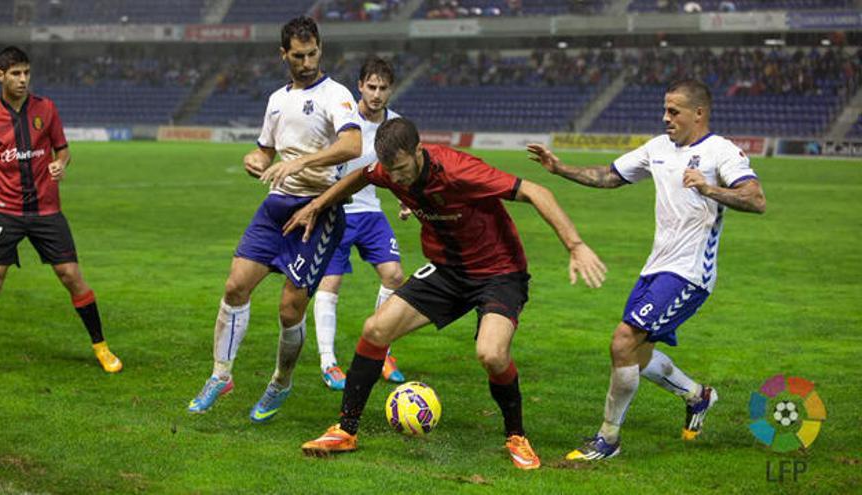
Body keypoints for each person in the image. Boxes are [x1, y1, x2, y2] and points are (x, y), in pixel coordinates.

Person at [287, 117, 608, 470]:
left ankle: (516, 436)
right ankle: (345, 430)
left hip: (499, 272)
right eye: (390, 172)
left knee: (491, 354)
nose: (395, 179)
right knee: (375, 329)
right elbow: (362, 175)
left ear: (418, 151)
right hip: (448, 271)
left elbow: (536, 191)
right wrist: (318, 205)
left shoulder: (460, 171)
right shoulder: (390, 169)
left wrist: (575, 246)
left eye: (401, 169)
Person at [527, 78, 766, 461]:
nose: (665, 117)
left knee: (623, 341)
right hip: (656, 268)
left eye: (674, 111)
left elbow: (756, 199)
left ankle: (608, 439)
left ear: (699, 113)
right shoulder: (657, 148)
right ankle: (697, 395)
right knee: (636, 357)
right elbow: (609, 176)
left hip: (689, 274)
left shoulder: (721, 151)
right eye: (665, 110)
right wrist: (559, 168)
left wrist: (710, 190)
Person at [186, 17, 362, 422]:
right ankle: (221, 375)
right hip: (277, 205)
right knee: (235, 286)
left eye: (312, 53)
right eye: (298, 55)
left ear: (320, 48)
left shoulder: (336, 94)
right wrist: (256, 160)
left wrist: (301, 161)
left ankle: (281, 382)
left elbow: (352, 144)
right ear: (283, 54)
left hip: (319, 209)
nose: (306, 61)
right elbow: (265, 150)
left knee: (288, 310)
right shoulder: (276, 100)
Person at [0, 46, 122, 377]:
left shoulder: (46, 108)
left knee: (71, 276)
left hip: (47, 210)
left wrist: (60, 164)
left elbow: (64, 151)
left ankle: (101, 347)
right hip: (5, 210)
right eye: (16, 73)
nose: (23, 79)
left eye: (27, 73)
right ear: (0, 76)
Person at [314, 56, 406, 391]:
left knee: (395, 275)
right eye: (371, 86)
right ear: (360, 86)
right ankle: (329, 362)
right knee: (331, 283)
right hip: (338, 211)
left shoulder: (395, 126)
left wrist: (407, 202)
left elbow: (402, 169)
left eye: (383, 88)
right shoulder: (344, 119)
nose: (377, 93)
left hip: (371, 213)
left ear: (390, 89)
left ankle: (382, 353)